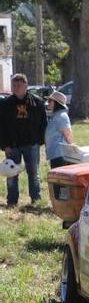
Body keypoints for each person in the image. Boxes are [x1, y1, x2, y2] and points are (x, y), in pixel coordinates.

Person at [0, 73, 48, 206]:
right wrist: (5, 145)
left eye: (19, 85)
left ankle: (36, 200)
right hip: (12, 145)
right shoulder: (6, 104)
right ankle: (12, 201)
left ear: (26, 85)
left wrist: (39, 141)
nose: (16, 88)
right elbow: (1, 126)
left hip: (31, 144)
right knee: (11, 174)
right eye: (14, 85)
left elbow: (43, 123)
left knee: (33, 173)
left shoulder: (36, 102)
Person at [44, 91, 75, 169]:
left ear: (57, 103)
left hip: (61, 156)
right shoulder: (56, 115)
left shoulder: (62, 116)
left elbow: (68, 135)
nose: (48, 103)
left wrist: (73, 153)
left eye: (50, 100)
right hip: (55, 155)